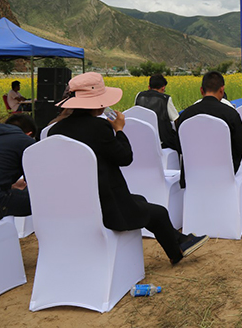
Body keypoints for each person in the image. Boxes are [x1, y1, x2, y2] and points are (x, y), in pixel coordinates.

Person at [50, 72, 207, 265]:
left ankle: (179, 243)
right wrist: (119, 129)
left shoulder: (55, 130)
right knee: (159, 213)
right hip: (106, 205)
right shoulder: (99, 127)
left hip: (74, 203)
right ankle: (177, 250)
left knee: (140, 200)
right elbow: (125, 158)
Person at [176, 71, 242, 174]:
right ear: (222, 90)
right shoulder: (231, 114)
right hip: (224, 173)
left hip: (192, 173)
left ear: (201, 90)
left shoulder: (186, 115)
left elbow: (179, 147)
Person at [135, 74, 180, 152]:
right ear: (163, 88)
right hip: (162, 142)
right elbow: (176, 119)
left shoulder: (139, 96)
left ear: (149, 87)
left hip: (142, 138)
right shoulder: (166, 99)